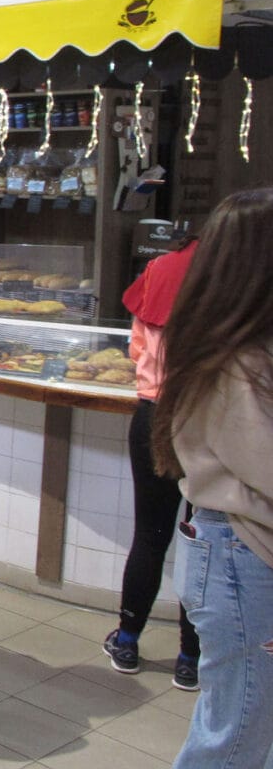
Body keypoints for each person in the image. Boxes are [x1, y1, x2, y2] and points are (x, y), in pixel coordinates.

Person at [153, 187, 273, 769]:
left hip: (235, 553)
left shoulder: (230, 342)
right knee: (237, 735)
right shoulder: (237, 362)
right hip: (242, 557)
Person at [103, 234, 201, 690]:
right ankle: (190, 656)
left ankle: (126, 640)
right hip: (207, 418)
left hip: (153, 415)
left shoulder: (159, 270)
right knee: (201, 540)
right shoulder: (232, 276)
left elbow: (137, 350)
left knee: (150, 534)